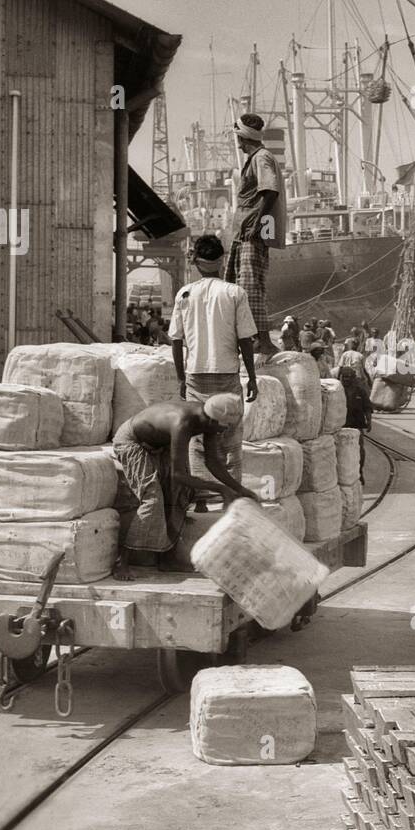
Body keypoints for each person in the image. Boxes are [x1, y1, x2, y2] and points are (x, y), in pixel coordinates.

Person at [112, 396, 256, 580]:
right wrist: (220, 489)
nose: (225, 430)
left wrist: (239, 489)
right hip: (133, 442)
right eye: (225, 426)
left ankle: (167, 559)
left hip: (160, 444)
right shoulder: (183, 422)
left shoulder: (210, 421)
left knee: (179, 494)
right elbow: (178, 475)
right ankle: (121, 562)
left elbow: (212, 462)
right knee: (153, 498)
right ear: (213, 420)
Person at [168, 234, 259, 484]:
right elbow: (245, 340)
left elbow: (175, 341)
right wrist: (252, 378)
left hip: (195, 378)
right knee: (229, 440)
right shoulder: (235, 293)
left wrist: (180, 379)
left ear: (196, 263)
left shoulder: (184, 294)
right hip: (228, 377)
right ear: (222, 261)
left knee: (198, 440)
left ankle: (202, 498)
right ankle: (234, 494)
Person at [228, 113, 283, 356]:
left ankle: (264, 340)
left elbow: (270, 191)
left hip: (252, 232)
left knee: (251, 286)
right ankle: (251, 337)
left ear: (243, 137)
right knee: (238, 284)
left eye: (238, 137)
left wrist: (257, 225)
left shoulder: (261, 158)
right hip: (244, 231)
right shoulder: (254, 158)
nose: (237, 143)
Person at [339, 366, 372, 484]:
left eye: (349, 377)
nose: (346, 379)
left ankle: (359, 472)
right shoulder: (337, 389)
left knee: (359, 449)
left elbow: (367, 406)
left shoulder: (360, 390)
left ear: (353, 378)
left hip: (356, 424)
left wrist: (369, 421)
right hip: (340, 425)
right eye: (344, 377)